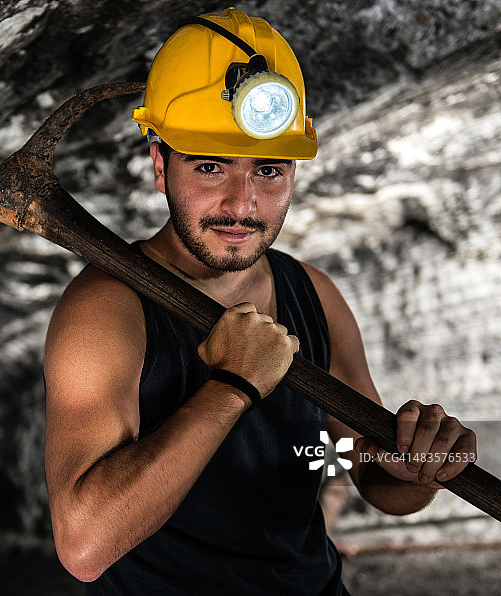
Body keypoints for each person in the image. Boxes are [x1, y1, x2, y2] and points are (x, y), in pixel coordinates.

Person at [42, 8, 477, 594]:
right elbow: (85, 546)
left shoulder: (313, 294)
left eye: (269, 170)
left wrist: (418, 467)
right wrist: (233, 387)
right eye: (211, 166)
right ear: (159, 165)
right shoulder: (106, 310)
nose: (242, 203)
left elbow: (372, 477)